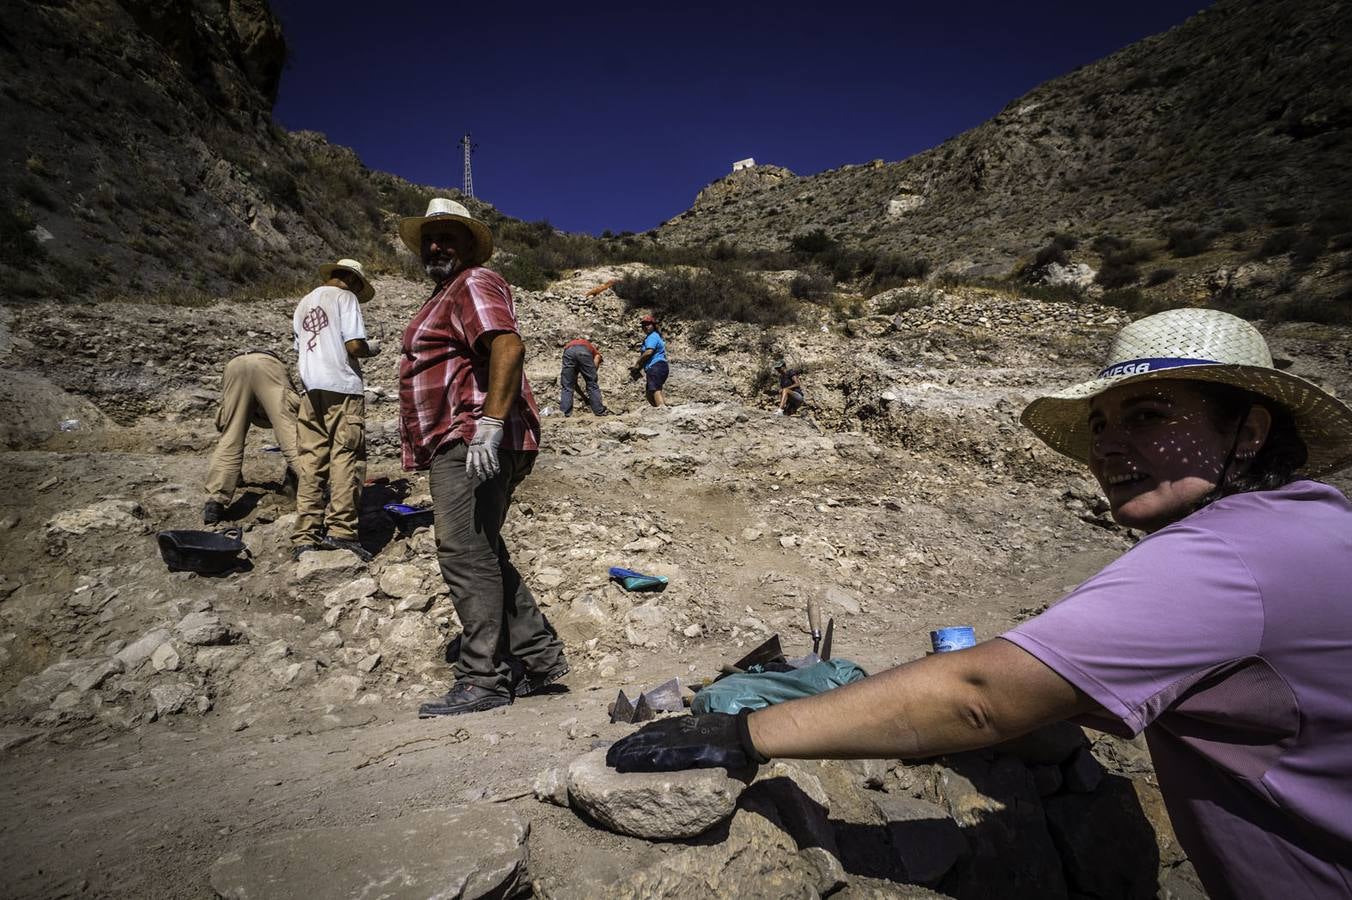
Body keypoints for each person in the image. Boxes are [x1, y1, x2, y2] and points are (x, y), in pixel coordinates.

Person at [607, 308, 1352, 899]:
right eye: (1100, 424)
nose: (1110, 447)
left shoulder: (1225, 558)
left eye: (1150, 416)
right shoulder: (1311, 528)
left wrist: (747, 734)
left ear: (1249, 431)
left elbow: (977, 696)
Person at [396, 198, 568, 717]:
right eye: (429, 238)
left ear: (470, 245)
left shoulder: (473, 282)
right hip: (464, 436)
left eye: (448, 237)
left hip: (470, 435)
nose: (435, 246)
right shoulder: (447, 292)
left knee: (464, 554)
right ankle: (538, 658)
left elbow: (508, 347)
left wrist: (489, 426)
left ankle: (482, 679)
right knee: (483, 549)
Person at [290, 258, 379, 562]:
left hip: (309, 388)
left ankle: (305, 534)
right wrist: (372, 348)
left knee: (312, 460)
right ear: (352, 281)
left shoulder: (303, 303)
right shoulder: (346, 298)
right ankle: (341, 532)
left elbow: (300, 347)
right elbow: (354, 346)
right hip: (341, 385)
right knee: (347, 456)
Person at [203, 351, 300, 524]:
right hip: (268, 365)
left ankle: (214, 502)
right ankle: (314, 489)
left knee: (231, 437)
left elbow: (221, 424)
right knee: (291, 435)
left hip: (235, 365)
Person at [560, 337, 609, 417]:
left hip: (568, 352)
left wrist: (584, 397)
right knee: (592, 384)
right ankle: (599, 411)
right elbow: (597, 358)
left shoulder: (572, 343)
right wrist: (591, 375)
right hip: (584, 352)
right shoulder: (593, 350)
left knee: (567, 386)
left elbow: (573, 383)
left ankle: (565, 413)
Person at [629, 314, 668, 407]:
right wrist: (638, 368)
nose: (645, 327)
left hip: (656, 366)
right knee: (650, 392)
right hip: (658, 366)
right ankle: (660, 408)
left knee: (655, 389)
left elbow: (648, 352)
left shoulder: (652, 336)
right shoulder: (653, 336)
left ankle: (662, 410)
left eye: (648, 324)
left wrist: (637, 364)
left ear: (653, 325)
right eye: (643, 325)